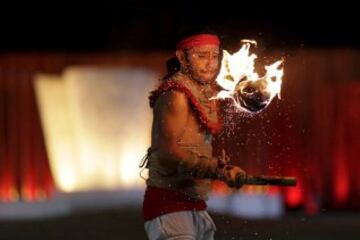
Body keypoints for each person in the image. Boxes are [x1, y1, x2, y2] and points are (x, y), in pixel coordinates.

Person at [140, 27, 246, 240]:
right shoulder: (176, 94)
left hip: (195, 206)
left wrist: (223, 169)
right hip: (168, 207)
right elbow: (168, 152)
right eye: (201, 56)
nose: (210, 64)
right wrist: (217, 170)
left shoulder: (203, 93)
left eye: (215, 56)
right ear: (182, 57)